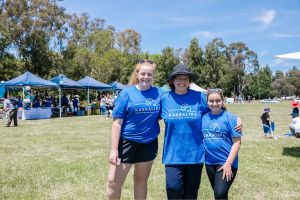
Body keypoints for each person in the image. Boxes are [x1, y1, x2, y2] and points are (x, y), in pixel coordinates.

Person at [160, 63, 242, 199]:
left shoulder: (199, 97)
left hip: (195, 155)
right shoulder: (164, 99)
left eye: (185, 79)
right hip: (173, 154)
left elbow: (216, 108)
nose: (182, 82)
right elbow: (151, 117)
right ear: (172, 81)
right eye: (178, 78)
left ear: (189, 81)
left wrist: (237, 119)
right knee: (173, 188)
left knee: (191, 193)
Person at [106, 60, 163, 200]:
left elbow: (161, 115)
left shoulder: (159, 93)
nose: (146, 77)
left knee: (141, 182)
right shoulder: (126, 93)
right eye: (143, 73)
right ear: (137, 74)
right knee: (113, 182)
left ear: (153, 76)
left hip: (148, 144)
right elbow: (117, 123)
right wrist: (114, 149)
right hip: (127, 143)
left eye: (149, 74)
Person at [202, 88, 242, 200]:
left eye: (218, 100)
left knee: (219, 193)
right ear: (207, 101)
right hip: (209, 162)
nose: (214, 103)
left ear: (223, 100)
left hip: (226, 162)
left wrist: (228, 164)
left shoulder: (230, 118)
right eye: (211, 101)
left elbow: (237, 142)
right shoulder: (203, 117)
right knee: (219, 194)